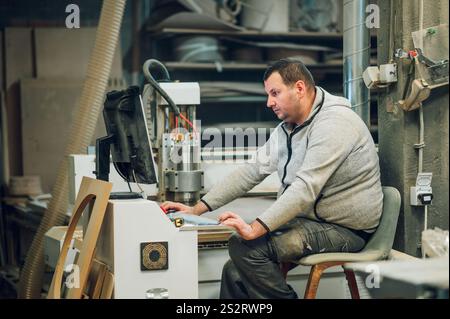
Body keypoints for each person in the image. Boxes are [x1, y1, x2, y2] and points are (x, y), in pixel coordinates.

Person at [161, 58, 383, 299]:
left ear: (299, 88)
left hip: (344, 230)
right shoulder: (289, 128)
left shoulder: (334, 123)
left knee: (244, 247)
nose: (269, 102)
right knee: (235, 270)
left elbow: (304, 189)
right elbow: (251, 172)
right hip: (312, 223)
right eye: (268, 94)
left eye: (275, 93)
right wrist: (195, 210)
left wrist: (255, 228)